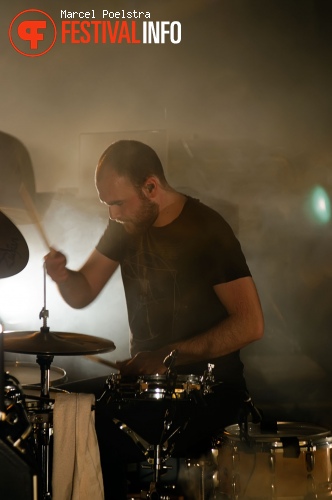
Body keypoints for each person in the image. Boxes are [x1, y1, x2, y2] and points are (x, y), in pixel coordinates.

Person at [45, 140, 264, 499]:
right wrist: (63, 276)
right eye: (107, 204)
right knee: (60, 410)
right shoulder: (126, 225)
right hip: (144, 387)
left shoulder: (207, 230)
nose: (113, 213)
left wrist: (165, 356)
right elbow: (82, 292)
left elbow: (250, 323)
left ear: (151, 187)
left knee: (90, 426)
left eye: (118, 202)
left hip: (207, 391)